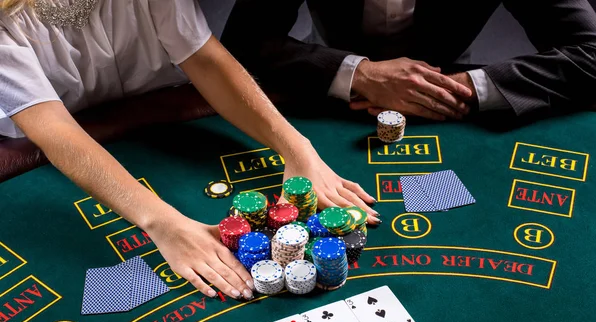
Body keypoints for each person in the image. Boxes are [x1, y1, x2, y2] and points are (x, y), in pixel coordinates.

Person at [0, 0, 380, 301]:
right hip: (59, 150)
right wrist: (165, 224)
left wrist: (297, 149)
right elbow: (55, 132)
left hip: (169, 114)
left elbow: (205, 59)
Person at [221, 0, 596, 126]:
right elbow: (245, 39)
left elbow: (594, 53)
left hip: (446, 95)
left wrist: (460, 88)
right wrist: (359, 73)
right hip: (321, 86)